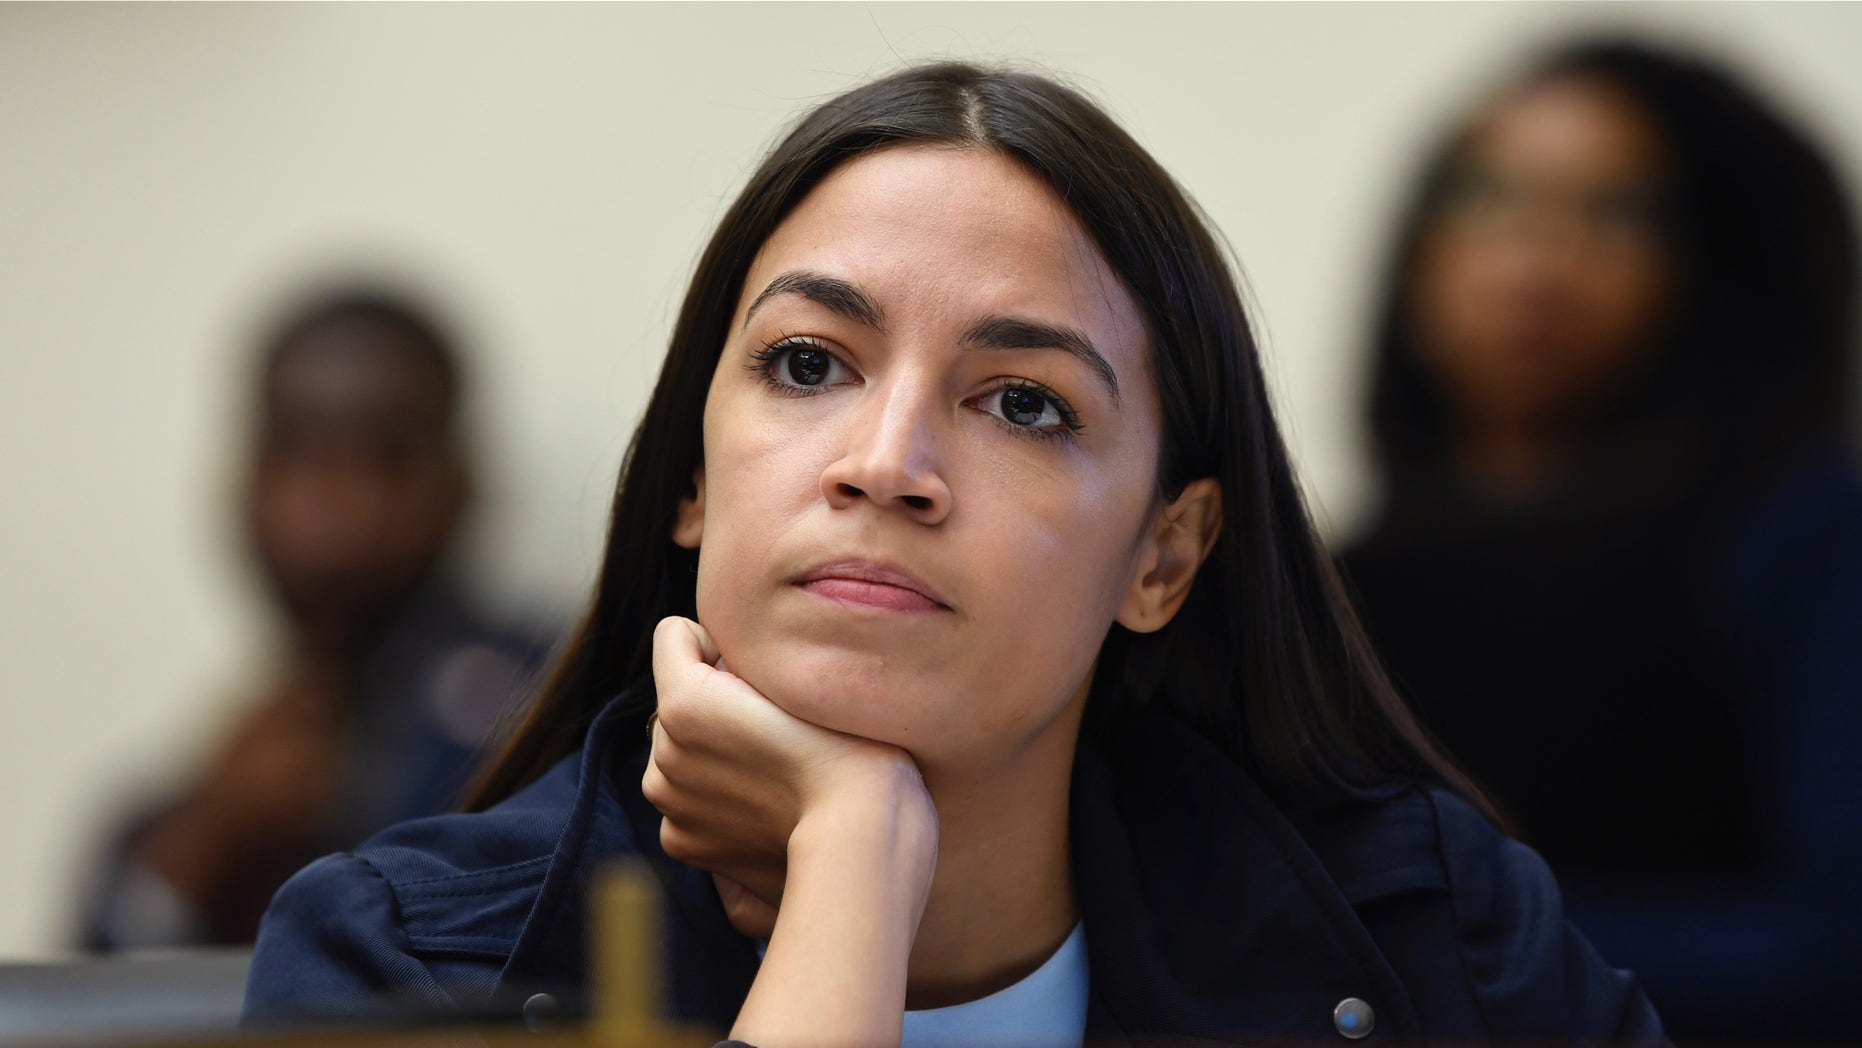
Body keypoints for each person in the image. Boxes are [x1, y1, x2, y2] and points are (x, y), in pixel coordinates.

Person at [244, 64, 1666, 1045]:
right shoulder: (408, 962)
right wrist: (855, 863)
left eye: (1024, 403)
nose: (886, 462)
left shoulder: (1439, 946)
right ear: (691, 475)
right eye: (808, 364)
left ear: (1162, 558)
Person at [1338, 39, 1862, 1041]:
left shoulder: (1801, 540)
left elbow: (1834, 949)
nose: (1535, 256)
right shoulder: (1338, 578)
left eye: (1612, 212)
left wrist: (1466, 933)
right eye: (1486, 195)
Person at [81, 290, 546, 949]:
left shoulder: (562, 716)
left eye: (388, 454)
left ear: (462, 484)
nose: (337, 501)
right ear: (241, 485)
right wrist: (202, 847)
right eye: (298, 447)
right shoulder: (187, 810)